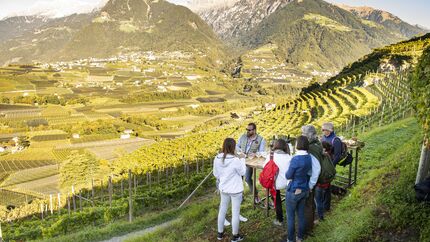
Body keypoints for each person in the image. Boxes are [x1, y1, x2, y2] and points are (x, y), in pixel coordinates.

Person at [214, 138, 246, 242]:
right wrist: (242, 158)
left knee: (222, 210)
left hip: (224, 188)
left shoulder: (217, 158)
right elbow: (243, 172)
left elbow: (216, 174)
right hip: (235, 189)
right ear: (233, 147)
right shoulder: (235, 160)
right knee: (235, 212)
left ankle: (220, 234)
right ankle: (235, 236)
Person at [285, 136, 312, 242]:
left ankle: (290, 239)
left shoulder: (296, 159)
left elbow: (288, 175)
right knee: (301, 214)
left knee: (290, 217)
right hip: (304, 189)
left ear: (298, 145)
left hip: (294, 190)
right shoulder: (309, 157)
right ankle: (300, 237)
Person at [263, 139, 292, 226]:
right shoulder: (289, 157)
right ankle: (290, 214)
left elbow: (264, 167)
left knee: (277, 199)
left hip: (274, 183)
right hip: (287, 183)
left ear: (275, 146)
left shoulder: (270, 155)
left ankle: (280, 219)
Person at [236, 123, 266, 203]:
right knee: (238, 178)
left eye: (249, 130)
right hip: (240, 160)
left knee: (248, 178)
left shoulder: (261, 139)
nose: (247, 131)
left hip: (250, 162)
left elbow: (262, 152)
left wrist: (255, 154)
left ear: (254, 130)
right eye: (247, 129)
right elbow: (237, 146)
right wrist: (240, 151)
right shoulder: (243, 136)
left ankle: (256, 196)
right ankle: (240, 196)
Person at [301, 125, 321, 231]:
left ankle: (307, 229)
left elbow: (316, 168)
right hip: (314, 177)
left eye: (303, 133)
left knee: (307, 204)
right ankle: (311, 223)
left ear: (309, 135)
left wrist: (310, 184)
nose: (302, 136)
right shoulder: (317, 143)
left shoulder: (311, 148)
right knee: (311, 202)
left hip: (311, 178)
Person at [320, 122, 341, 213]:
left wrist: (331, 166)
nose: (324, 132)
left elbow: (337, 156)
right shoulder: (323, 138)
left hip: (330, 165)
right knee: (323, 184)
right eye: (323, 130)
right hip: (323, 164)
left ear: (331, 130)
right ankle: (323, 203)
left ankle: (326, 206)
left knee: (327, 185)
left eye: (326, 130)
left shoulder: (336, 140)